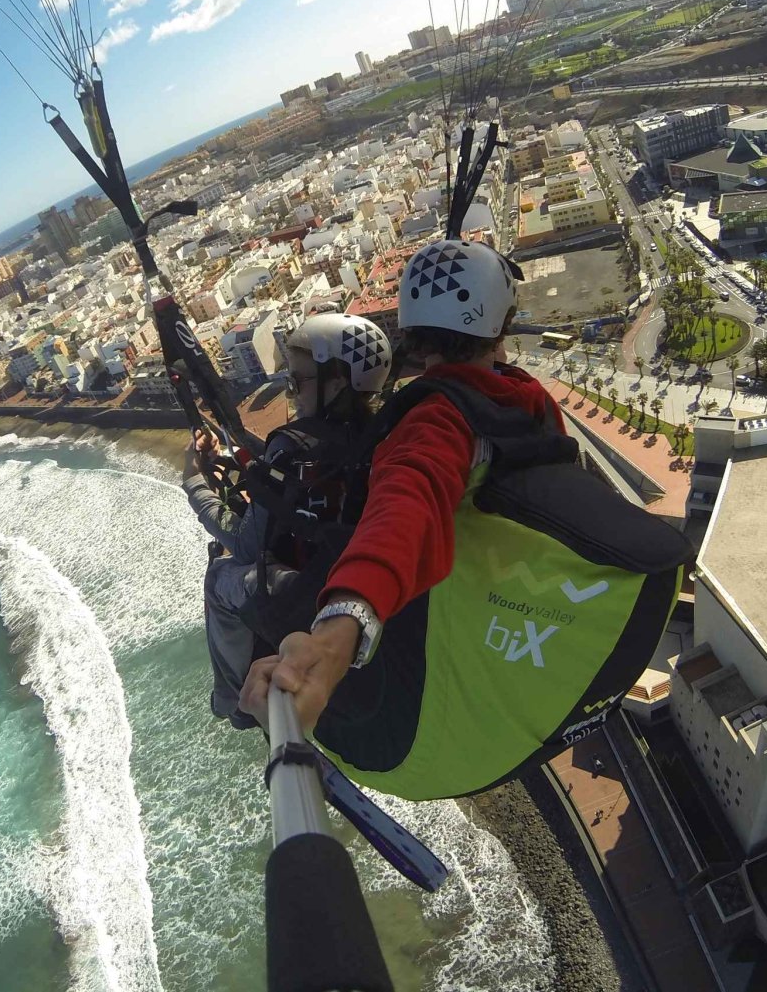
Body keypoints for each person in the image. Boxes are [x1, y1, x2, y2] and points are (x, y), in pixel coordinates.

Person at [238, 238, 568, 732]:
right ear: (500, 324)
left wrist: (336, 634)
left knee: (230, 578)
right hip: (514, 600)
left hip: (442, 612)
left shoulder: (433, 420)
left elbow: (404, 504)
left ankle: (231, 705)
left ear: (413, 331)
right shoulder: (527, 397)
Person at [183, 313, 391, 728]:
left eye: (297, 382)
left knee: (221, 576)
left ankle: (231, 702)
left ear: (335, 382)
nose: (292, 393)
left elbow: (245, 545)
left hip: (312, 584)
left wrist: (193, 481)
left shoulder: (293, 450)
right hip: (358, 573)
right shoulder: (382, 431)